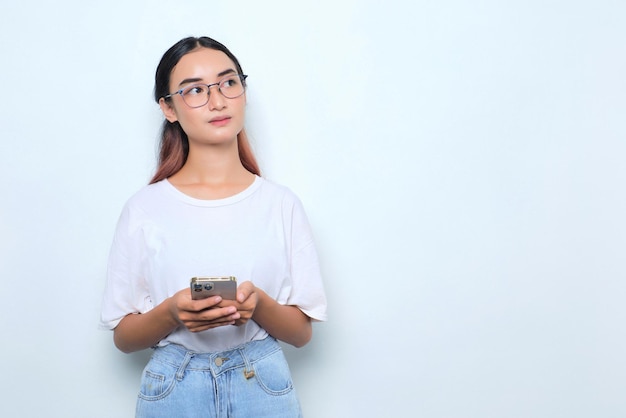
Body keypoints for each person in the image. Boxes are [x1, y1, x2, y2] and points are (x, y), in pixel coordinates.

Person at [100, 36, 327, 418]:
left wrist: (259, 306)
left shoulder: (281, 204)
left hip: (263, 385)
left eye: (228, 83)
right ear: (168, 108)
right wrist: (172, 313)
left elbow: (302, 334)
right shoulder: (144, 209)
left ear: (243, 91)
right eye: (195, 91)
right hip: (174, 389)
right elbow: (123, 337)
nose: (217, 100)